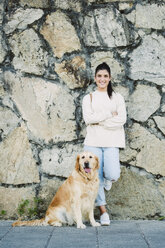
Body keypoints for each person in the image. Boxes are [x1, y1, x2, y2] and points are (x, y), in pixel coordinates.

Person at [82, 62, 126, 225]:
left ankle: (107, 180)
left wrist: (99, 121)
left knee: (113, 173)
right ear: (95, 78)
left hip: (111, 142)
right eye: (99, 76)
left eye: (105, 76)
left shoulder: (117, 97)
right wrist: (108, 114)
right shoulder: (89, 98)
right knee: (94, 178)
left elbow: (121, 119)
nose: (102, 79)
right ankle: (103, 212)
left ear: (110, 78)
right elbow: (88, 119)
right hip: (93, 142)